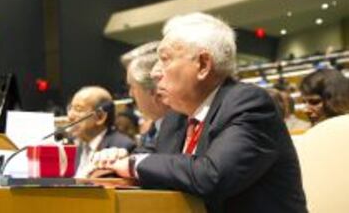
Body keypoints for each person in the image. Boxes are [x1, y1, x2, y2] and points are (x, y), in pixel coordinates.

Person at [93, 12, 307, 213]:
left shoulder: (249, 104)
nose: (155, 72)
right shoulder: (175, 118)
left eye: (165, 59)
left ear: (203, 65)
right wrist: (117, 160)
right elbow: (146, 160)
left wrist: (133, 164)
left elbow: (212, 176)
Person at [66, 86, 135, 178]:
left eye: (78, 109)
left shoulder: (123, 147)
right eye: (70, 108)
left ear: (100, 117)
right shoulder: (78, 146)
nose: (70, 116)